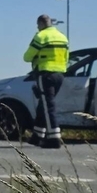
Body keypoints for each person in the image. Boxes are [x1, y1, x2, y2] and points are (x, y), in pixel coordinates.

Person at [23, 15, 69, 148]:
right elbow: (67, 56)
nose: (38, 28)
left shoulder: (41, 36)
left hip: (45, 73)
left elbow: (27, 57)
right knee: (43, 104)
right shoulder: (62, 37)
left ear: (41, 24)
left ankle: (54, 137)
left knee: (48, 105)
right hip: (60, 73)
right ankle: (37, 135)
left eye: (38, 25)